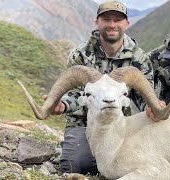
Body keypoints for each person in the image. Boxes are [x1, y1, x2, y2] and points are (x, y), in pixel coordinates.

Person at [43, 0, 153, 175]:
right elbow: (74, 94)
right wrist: (63, 104)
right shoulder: (80, 55)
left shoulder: (139, 58)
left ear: (126, 23)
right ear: (97, 22)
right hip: (84, 121)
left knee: (126, 165)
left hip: (119, 122)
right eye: (106, 19)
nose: (112, 25)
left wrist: (152, 107)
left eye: (117, 20)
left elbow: (144, 96)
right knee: (75, 165)